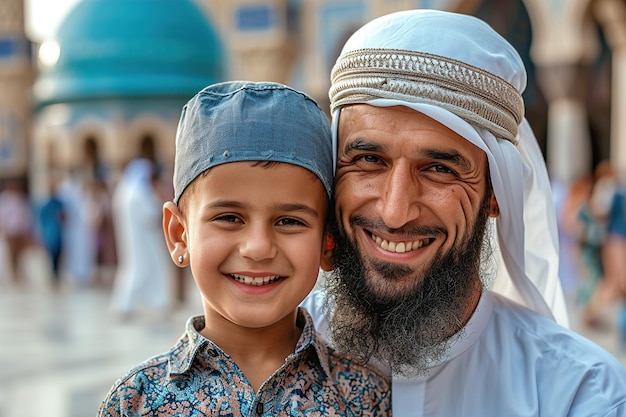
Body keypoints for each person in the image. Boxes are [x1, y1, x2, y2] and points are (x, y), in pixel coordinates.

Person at [301, 9, 626, 416]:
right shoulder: (254, 364)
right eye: (368, 160)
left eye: (439, 169)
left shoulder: (579, 395)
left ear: (495, 195)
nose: (396, 210)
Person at [98, 81, 390, 416]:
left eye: (290, 221)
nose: (258, 248)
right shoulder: (136, 402)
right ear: (180, 234)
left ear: (328, 243)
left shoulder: (363, 398)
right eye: (229, 218)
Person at [109, 158, 172, 320]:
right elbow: (150, 214)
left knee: (143, 269)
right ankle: (125, 305)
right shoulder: (137, 193)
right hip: (142, 240)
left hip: (138, 239)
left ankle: (156, 303)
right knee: (140, 270)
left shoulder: (125, 190)